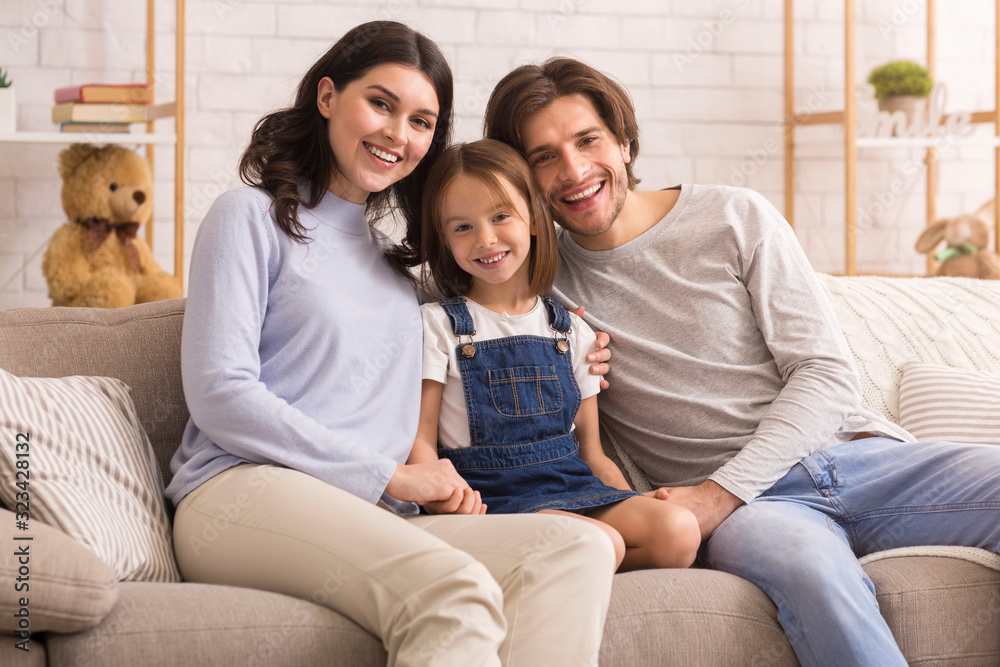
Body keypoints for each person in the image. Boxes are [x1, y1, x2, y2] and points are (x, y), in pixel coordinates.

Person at [483, 57, 1000, 666]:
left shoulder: (733, 215)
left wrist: (716, 495)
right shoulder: (532, 281)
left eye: (588, 140)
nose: (573, 171)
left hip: (864, 459)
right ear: (522, 177)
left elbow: (826, 374)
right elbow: (448, 283)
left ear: (623, 143)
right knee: (810, 574)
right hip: (761, 516)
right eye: (544, 157)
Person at [165, 25, 619, 667]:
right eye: (381, 104)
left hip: (378, 513)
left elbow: (500, 286)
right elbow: (221, 395)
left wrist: (582, 338)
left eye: (422, 121)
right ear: (327, 97)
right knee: (455, 590)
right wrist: (392, 474)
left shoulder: (398, 271)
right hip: (242, 494)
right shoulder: (248, 217)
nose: (398, 134)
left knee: (579, 547)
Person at [409, 139, 701, 572]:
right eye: (462, 227)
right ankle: (562, 563)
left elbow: (592, 452)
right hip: (489, 498)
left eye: (500, 216)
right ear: (445, 239)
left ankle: (568, 568)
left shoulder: (571, 330)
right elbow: (420, 440)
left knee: (678, 529)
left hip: (571, 484)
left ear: (533, 217)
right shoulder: (438, 325)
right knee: (599, 541)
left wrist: (630, 499)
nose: (485, 239)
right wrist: (443, 503)